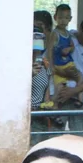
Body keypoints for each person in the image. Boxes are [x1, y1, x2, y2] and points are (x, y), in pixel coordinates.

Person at [30, 15, 63, 145]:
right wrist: (28, 76)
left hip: (40, 117)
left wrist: (51, 103)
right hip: (24, 117)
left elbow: (47, 97)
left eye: (40, 38)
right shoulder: (18, 65)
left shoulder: (45, 65)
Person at [50, 4, 83, 104]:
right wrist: (51, 66)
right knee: (80, 77)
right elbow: (50, 49)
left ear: (70, 19)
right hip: (63, 64)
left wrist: (69, 49)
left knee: (60, 86)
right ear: (55, 17)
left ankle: (54, 106)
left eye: (66, 18)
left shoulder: (68, 34)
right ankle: (80, 101)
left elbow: (72, 46)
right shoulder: (55, 33)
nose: (63, 20)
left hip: (62, 64)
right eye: (60, 18)